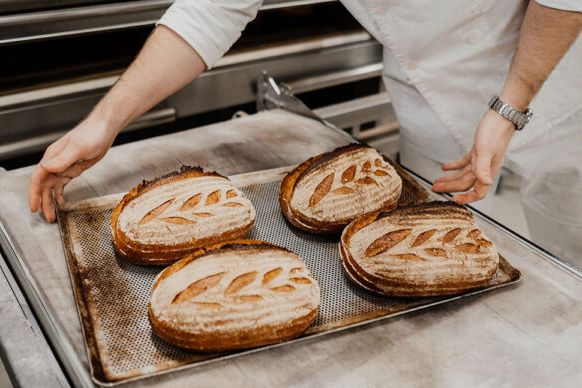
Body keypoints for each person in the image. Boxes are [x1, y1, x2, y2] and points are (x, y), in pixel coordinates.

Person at [28, 1, 582, 265]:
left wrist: (510, 104)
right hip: (428, 90)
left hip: (556, 79)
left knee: (569, 251)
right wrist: (104, 122)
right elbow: (213, 8)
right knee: (432, 258)